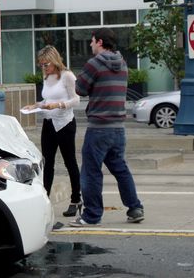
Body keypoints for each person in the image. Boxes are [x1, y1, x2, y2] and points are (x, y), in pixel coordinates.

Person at [70, 28, 144, 227]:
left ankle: (92, 216)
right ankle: (135, 208)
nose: (91, 44)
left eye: (92, 41)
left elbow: (80, 89)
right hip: (118, 127)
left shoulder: (94, 64)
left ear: (100, 42)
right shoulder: (122, 63)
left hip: (99, 127)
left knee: (91, 172)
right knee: (120, 168)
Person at [22, 46, 81, 217]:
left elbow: (76, 99)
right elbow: (47, 99)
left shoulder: (67, 76)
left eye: (45, 64)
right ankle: (45, 200)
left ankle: (76, 199)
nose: (43, 68)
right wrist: (35, 105)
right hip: (48, 122)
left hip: (65, 123)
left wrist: (59, 105)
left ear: (54, 60)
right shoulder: (47, 77)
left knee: (70, 162)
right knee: (47, 163)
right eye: (40, 65)